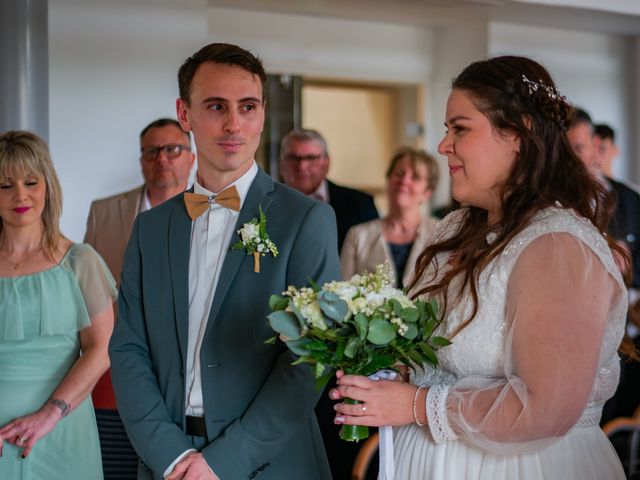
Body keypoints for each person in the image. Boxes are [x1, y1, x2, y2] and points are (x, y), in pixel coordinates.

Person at [330, 56, 632, 479]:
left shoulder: (558, 246)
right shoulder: (453, 229)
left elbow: (545, 409)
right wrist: (389, 371)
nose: (443, 145)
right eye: (446, 129)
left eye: (460, 128)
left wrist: (413, 404)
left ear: (518, 135)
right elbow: (439, 353)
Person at [108, 43, 339, 480]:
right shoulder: (150, 230)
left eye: (247, 107)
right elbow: (127, 348)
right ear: (184, 113)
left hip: (271, 462)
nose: (234, 124)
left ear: (263, 113)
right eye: (216, 106)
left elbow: (310, 358)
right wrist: (170, 456)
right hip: (167, 462)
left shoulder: (306, 219)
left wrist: (225, 460)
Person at [0, 130, 116, 479]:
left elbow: (101, 349)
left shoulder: (81, 261)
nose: (20, 195)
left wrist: (49, 414)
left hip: (62, 429)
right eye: (5, 185)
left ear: (47, 187)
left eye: (31, 182)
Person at [85, 118, 194, 479]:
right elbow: (89, 294)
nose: (162, 158)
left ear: (190, 157)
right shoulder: (105, 212)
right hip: (117, 365)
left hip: (183, 372)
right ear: (141, 159)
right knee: (114, 464)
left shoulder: (211, 210)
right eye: (152, 151)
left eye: (172, 149)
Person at [341, 147, 440, 288]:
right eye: (399, 174)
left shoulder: (442, 233)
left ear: (427, 192)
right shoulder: (357, 235)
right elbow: (343, 293)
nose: (404, 181)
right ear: (388, 179)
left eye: (415, 177)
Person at [567, 110, 640, 288]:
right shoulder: (546, 199)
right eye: (564, 151)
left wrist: (628, 266)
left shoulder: (630, 198)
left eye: (579, 148)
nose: (570, 159)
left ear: (595, 144)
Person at [279, 128, 379, 250]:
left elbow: (372, 259)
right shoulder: (263, 203)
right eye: (293, 158)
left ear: (326, 164)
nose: (302, 166)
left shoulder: (361, 205)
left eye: (311, 158)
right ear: (282, 163)